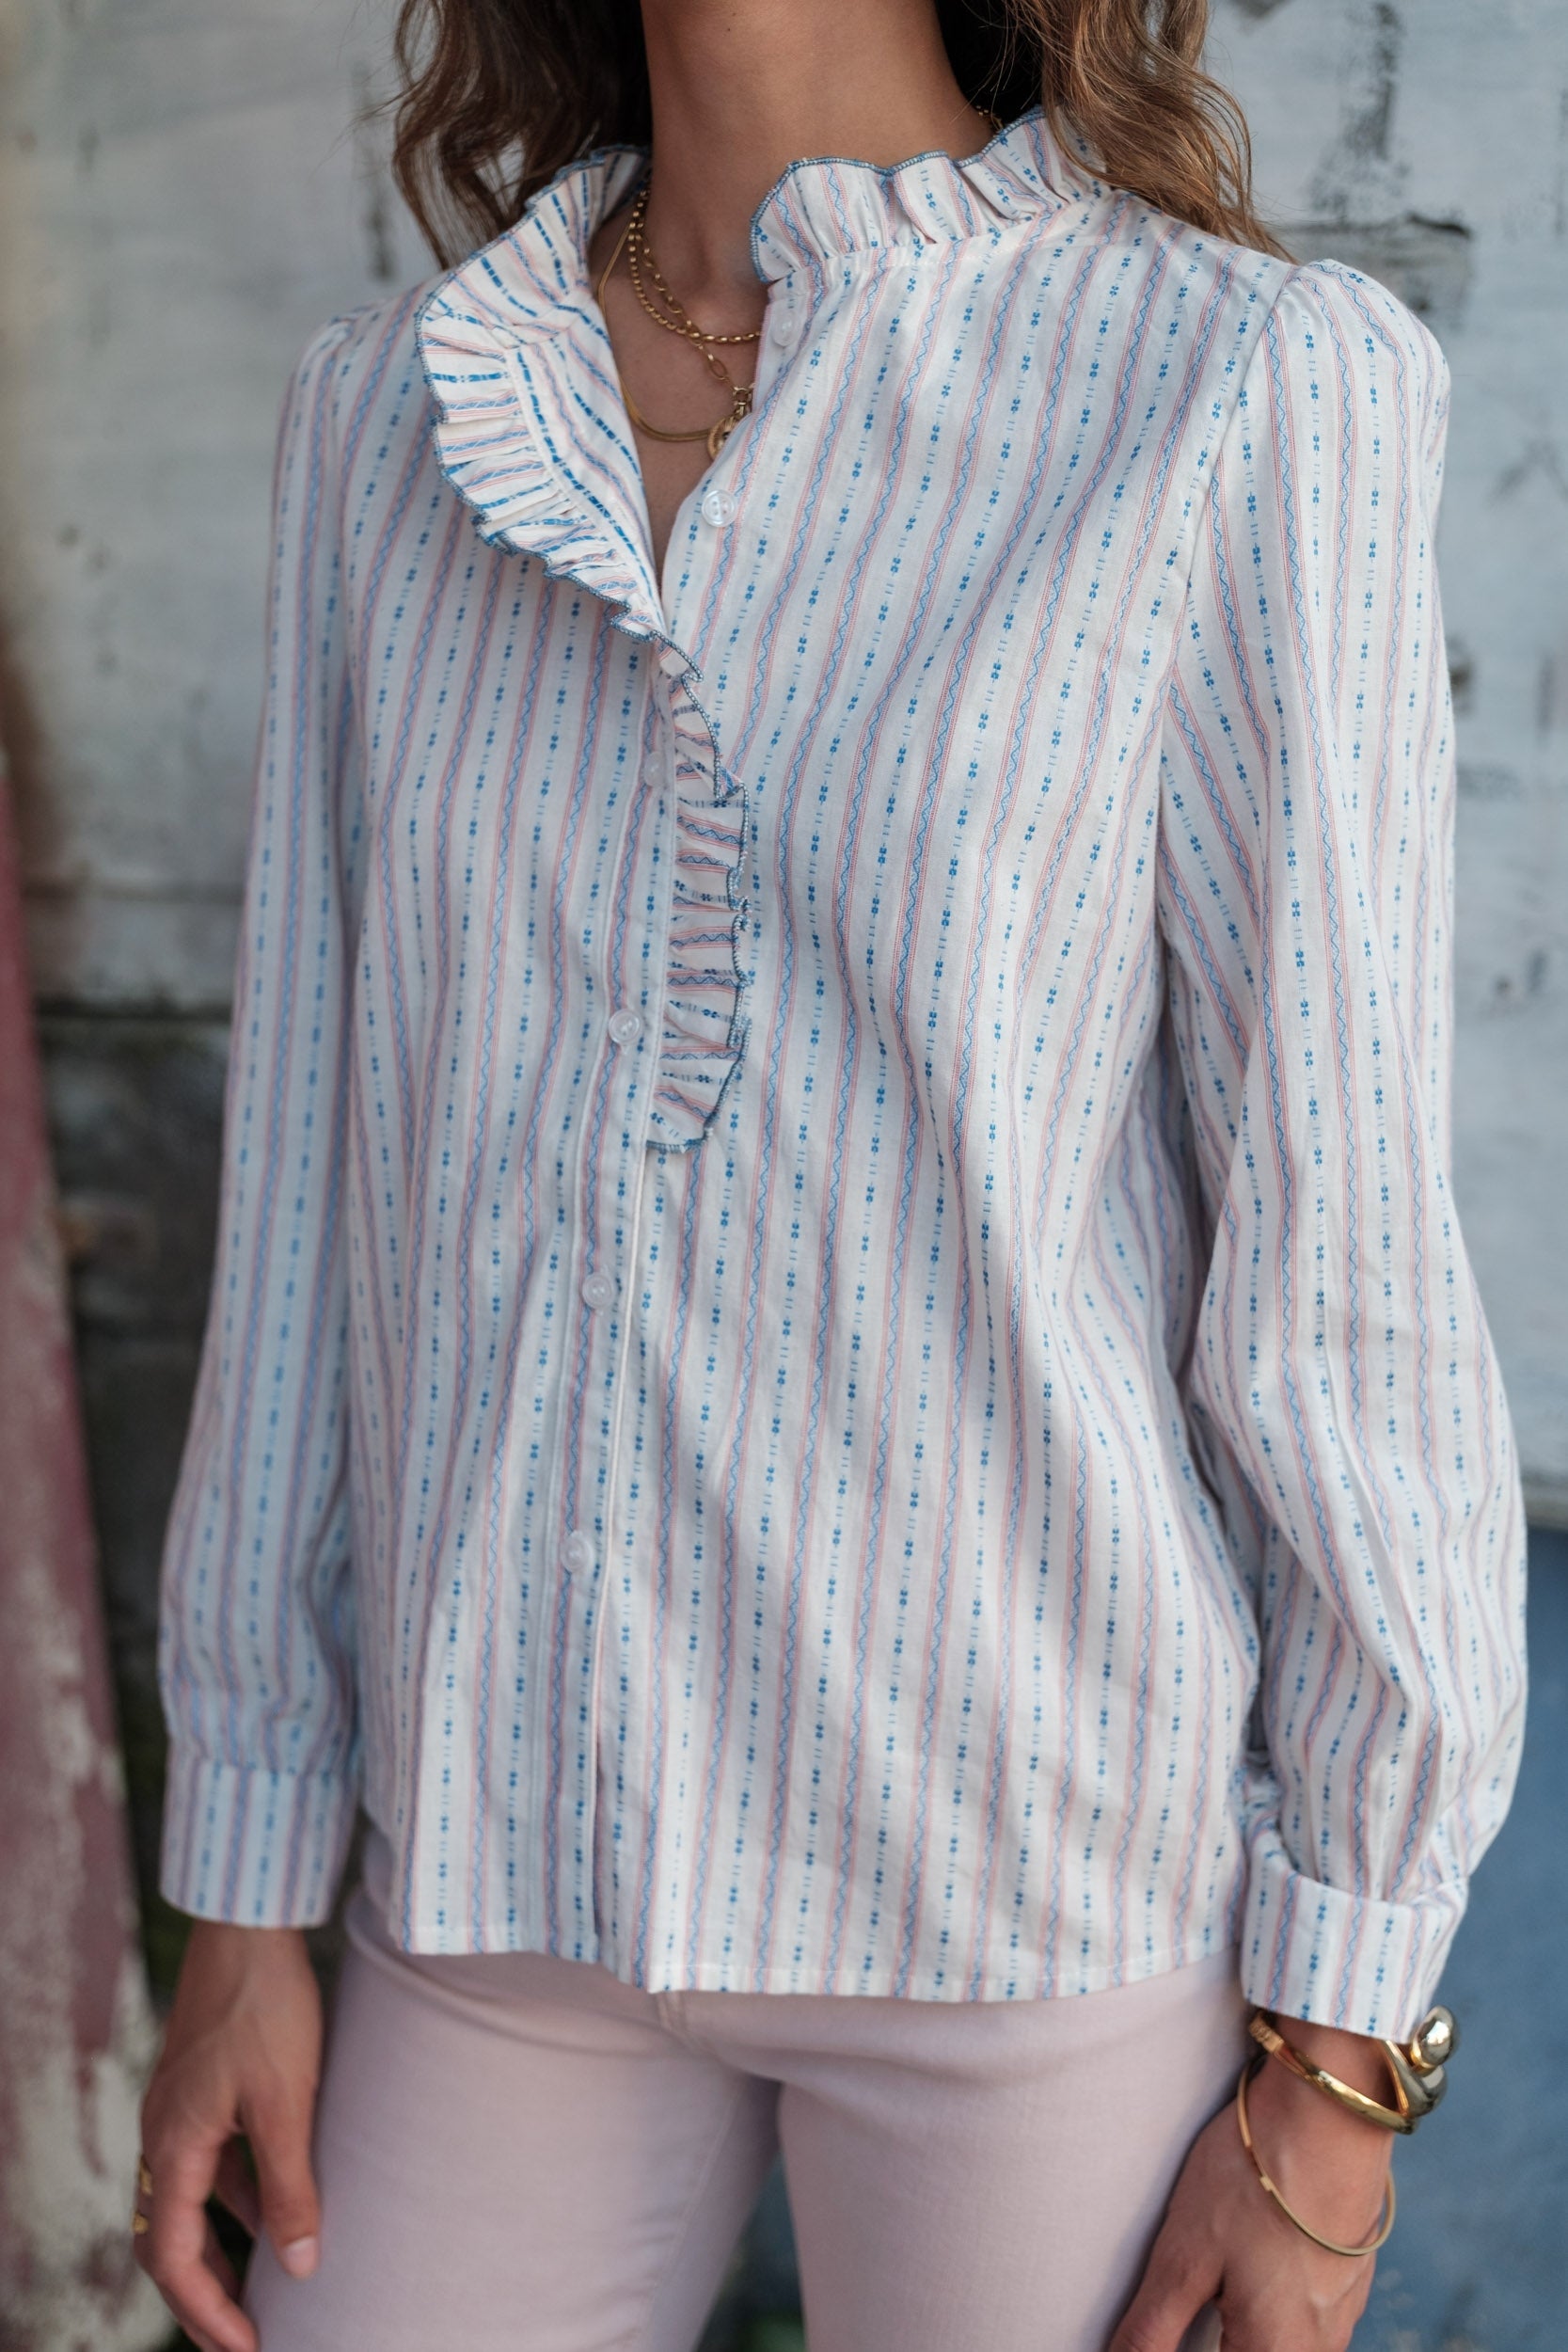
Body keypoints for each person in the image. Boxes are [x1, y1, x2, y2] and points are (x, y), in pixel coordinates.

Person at [131, 3, 1528, 2348]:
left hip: (1029, 1895)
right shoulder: (393, 415)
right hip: (496, 1860)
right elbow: (306, 1200)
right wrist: (247, 1887)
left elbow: (1345, 1255)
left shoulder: (1242, 388)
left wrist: (1339, 2058)